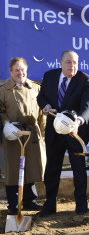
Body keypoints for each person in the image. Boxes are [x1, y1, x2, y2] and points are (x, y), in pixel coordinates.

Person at [36, 50, 89, 216]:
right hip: (54, 132)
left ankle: (81, 207)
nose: (72, 66)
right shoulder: (49, 76)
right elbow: (41, 97)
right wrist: (45, 105)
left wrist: (79, 121)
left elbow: (88, 105)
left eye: (75, 62)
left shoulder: (84, 80)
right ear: (60, 63)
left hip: (75, 132)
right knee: (52, 170)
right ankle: (49, 206)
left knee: (79, 170)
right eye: (68, 62)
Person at [0, 57, 46, 215]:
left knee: (31, 167)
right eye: (16, 70)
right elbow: (0, 111)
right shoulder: (2, 89)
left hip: (32, 133)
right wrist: (6, 124)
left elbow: (42, 114)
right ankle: (13, 205)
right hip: (13, 134)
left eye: (22, 69)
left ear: (26, 70)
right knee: (13, 169)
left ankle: (29, 200)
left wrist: (43, 133)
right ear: (11, 71)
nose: (20, 73)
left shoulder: (35, 88)